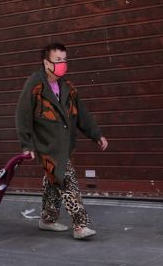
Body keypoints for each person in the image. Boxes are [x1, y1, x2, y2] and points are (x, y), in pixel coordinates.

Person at [15, 42, 108, 240]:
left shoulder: (68, 87)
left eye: (64, 60)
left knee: (53, 182)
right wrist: (26, 145)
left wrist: (97, 134)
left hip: (65, 147)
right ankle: (80, 225)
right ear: (46, 62)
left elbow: (82, 114)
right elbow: (22, 115)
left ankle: (48, 220)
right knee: (66, 181)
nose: (62, 64)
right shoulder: (35, 85)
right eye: (58, 60)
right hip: (46, 147)